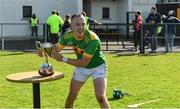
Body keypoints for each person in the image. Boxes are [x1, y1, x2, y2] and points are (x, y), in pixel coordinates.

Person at [38, 13, 110, 108]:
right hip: (81, 68)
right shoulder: (67, 36)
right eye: (77, 24)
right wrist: (44, 48)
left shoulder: (93, 39)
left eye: (83, 24)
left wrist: (63, 58)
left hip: (98, 67)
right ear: (71, 25)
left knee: (100, 97)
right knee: (72, 96)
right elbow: (56, 48)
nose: (81, 27)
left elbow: (84, 63)